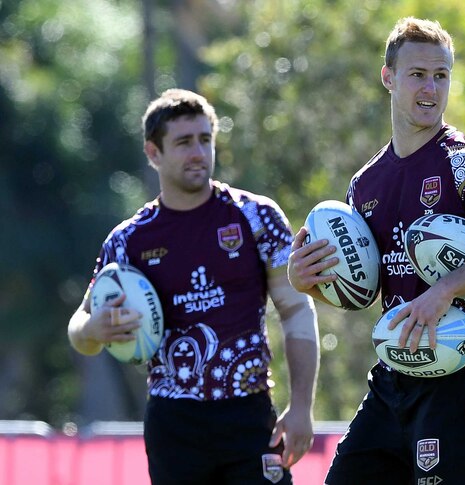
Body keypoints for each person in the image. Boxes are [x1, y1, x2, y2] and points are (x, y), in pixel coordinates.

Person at [288, 17, 465, 485]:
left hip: (460, 377)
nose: (430, 87)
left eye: (441, 75)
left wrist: (445, 290)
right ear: (388, 77)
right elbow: (364, 293)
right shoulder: (365, 183)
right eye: (417, 75)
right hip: (393, 378)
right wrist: (307, 283)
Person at [67, 89, 319, 485]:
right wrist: (92, 330)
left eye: (205, 139)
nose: (198, 152)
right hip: (174, 424)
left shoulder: (256, 217)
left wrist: (302, 405)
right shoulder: (128, 240)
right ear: (154, 153)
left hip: (249, 416)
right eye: (184, 142)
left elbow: (296, 309)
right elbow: (80, 326)